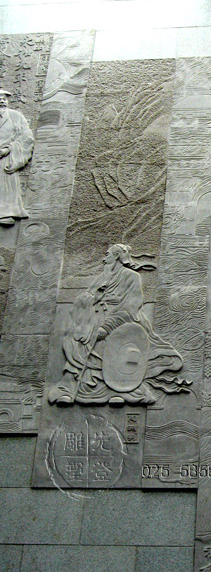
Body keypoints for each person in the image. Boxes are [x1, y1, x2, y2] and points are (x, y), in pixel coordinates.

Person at [49, 244, 189, 405]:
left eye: (107, 254)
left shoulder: (132, 276)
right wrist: (94, 297)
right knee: (79, 342)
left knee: (117, 349)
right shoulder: (102, 277)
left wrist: (108, 326)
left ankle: (119, 391)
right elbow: (87, 297)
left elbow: (132, 305)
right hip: (95, 319)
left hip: (121, 321)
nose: (104, 258)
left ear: (116, 256)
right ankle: (68, 389)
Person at [0, 89, 34, 226]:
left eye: (4, 99)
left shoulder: (16, 116)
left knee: (6, 184)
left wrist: (7, 149)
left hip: (7, 157)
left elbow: (26, 137)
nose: (2, 101)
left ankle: (6, 213)